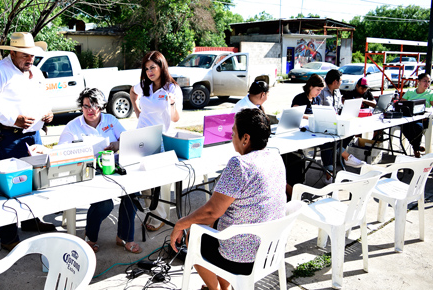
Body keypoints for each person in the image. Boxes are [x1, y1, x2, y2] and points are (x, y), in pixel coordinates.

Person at [170, 108, 286, 290]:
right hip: (270, 250)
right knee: (213, 224)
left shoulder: (240, 165)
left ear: (246, 138)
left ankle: (214, 289)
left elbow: (211, 211)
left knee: (193, 233)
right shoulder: (275, 156)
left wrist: (180, 224)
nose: (231, 137)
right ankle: (225, 287)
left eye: (233, 133)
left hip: (242, 259)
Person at [0, 32, 56, 251]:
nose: (30, 59)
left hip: (33, 134)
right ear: (12, 52)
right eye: (24, 55)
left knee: (34, 182)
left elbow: (42, 97)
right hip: (9, 136)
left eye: (32, 55)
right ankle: (8, 237)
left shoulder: (35, 71)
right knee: (12, 186)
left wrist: (48, 112)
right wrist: (14, 119)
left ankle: (31, 221)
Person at [54, 88, 142, 253]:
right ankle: (90, 237)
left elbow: (127, 138)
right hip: (89, 170)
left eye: (95, 106)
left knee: (132, 194)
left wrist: (117, 144)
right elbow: (61, 152)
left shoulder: (110, 119)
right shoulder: (73, 126)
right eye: (86, 106)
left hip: (113, 167)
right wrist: (80, 151)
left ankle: (124, 237)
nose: (91, 110)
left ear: (101, 106)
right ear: (81, 107)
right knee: (104, 203)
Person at [129, 51, 183, 232]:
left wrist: (173, 104)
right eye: (146, 68)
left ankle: (161, 216)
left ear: (162, 66)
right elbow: (132, 91)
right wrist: (137, 111)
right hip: (142, 136)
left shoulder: (172, 89)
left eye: (153, 67)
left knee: (161, 181)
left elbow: (176, 119)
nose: (149, 71)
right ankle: (151, 211)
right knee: (144, 179)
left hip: (162, 138)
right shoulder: (144, 85)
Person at [318, 69, 365, 184]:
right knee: (329, 142)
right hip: (324, 125)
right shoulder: (322, 92)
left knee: (352, 130)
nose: (341, 83)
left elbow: (339, 108)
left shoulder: (337, 92)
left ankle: (340, 154)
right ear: (335, 81)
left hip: (337, 123)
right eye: (340, 81)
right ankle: (344, 156)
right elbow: (319, 110)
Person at [401, 73, 433, 157]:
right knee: (403, 126)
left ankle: (415, 149)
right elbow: (401, 104)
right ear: (418, 81)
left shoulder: (430, 93)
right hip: (409, 117)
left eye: (429, 82)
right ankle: (416, 147)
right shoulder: (410, 92)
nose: (427, 84)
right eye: (425, 81)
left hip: (423, 119)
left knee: (418, 127)